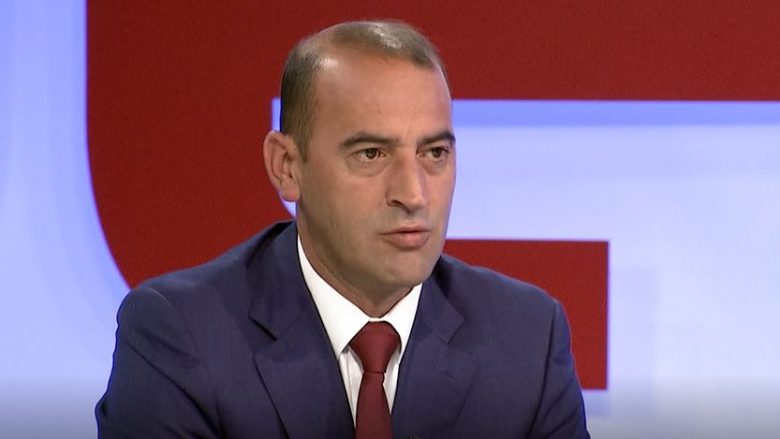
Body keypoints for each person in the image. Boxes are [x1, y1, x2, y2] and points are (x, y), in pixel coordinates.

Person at [96, 20, 590, 439]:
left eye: (434, 153)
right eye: (371, 154)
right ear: (287, 166)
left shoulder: (527, 340)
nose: (414, 194)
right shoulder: (182, 335)